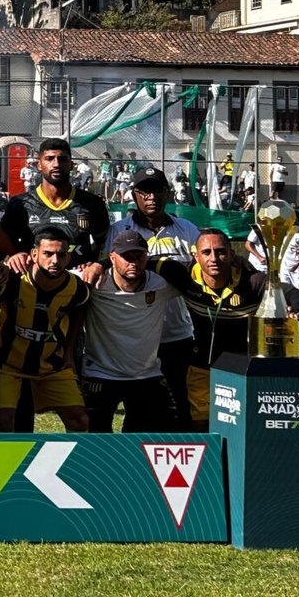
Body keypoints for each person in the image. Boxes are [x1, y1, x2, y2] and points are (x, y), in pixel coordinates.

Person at [103, 167, 202, 427]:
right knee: (138, 410)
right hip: (132, 336)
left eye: (157, 190)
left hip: (176, 333)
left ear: (167, 193)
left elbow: (199, 273)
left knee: (179, 405)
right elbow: (104, 272)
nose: (151, 197)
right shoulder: (118, 230)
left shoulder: (187, 229)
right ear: (133, 195)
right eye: (144, 191)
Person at [147, 230, 268, 430]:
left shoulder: (253, 282)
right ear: (196, 256)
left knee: (237, 426)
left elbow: (294, 295)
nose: (214, 258)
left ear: (231, 254)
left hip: (239, 369)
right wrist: (102, 264)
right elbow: (141, 261)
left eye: (220, 252)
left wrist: (295, 309)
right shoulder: (184, 275)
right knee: (200, 424)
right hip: (200, 366)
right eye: (206, 252)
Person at [0, 226, 92, 433]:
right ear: (34, 254)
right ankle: (8, 466)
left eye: (61, 255)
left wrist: (68, 353)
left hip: (50, 367)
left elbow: (80, 310)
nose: (55, 261)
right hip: (6, 365)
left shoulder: (76, 287)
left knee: (80, 420)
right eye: (48, 254)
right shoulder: (13, 281)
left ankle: (74, 466)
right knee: (5, 421)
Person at [80, 233, 177, 433]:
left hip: (145, 374)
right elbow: (52, 275)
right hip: (100, 372)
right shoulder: (94, 281)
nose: (134, 262)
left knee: (146, 440)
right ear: (112, 258)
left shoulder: (160, 284)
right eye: (127, 257)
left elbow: (197, 271)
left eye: (139, 256)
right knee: (94, 440)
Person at [0, 137, 111, 275]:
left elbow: (105, 244)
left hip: (77, 284)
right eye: (49, 159)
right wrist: (14, 255)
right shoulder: (20, 205)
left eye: (62, 159)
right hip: (31, 285)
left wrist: (96, 263)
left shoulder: (92, 203)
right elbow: (2, 245)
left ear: (71, 164)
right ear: (39, 164)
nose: (56, 164)